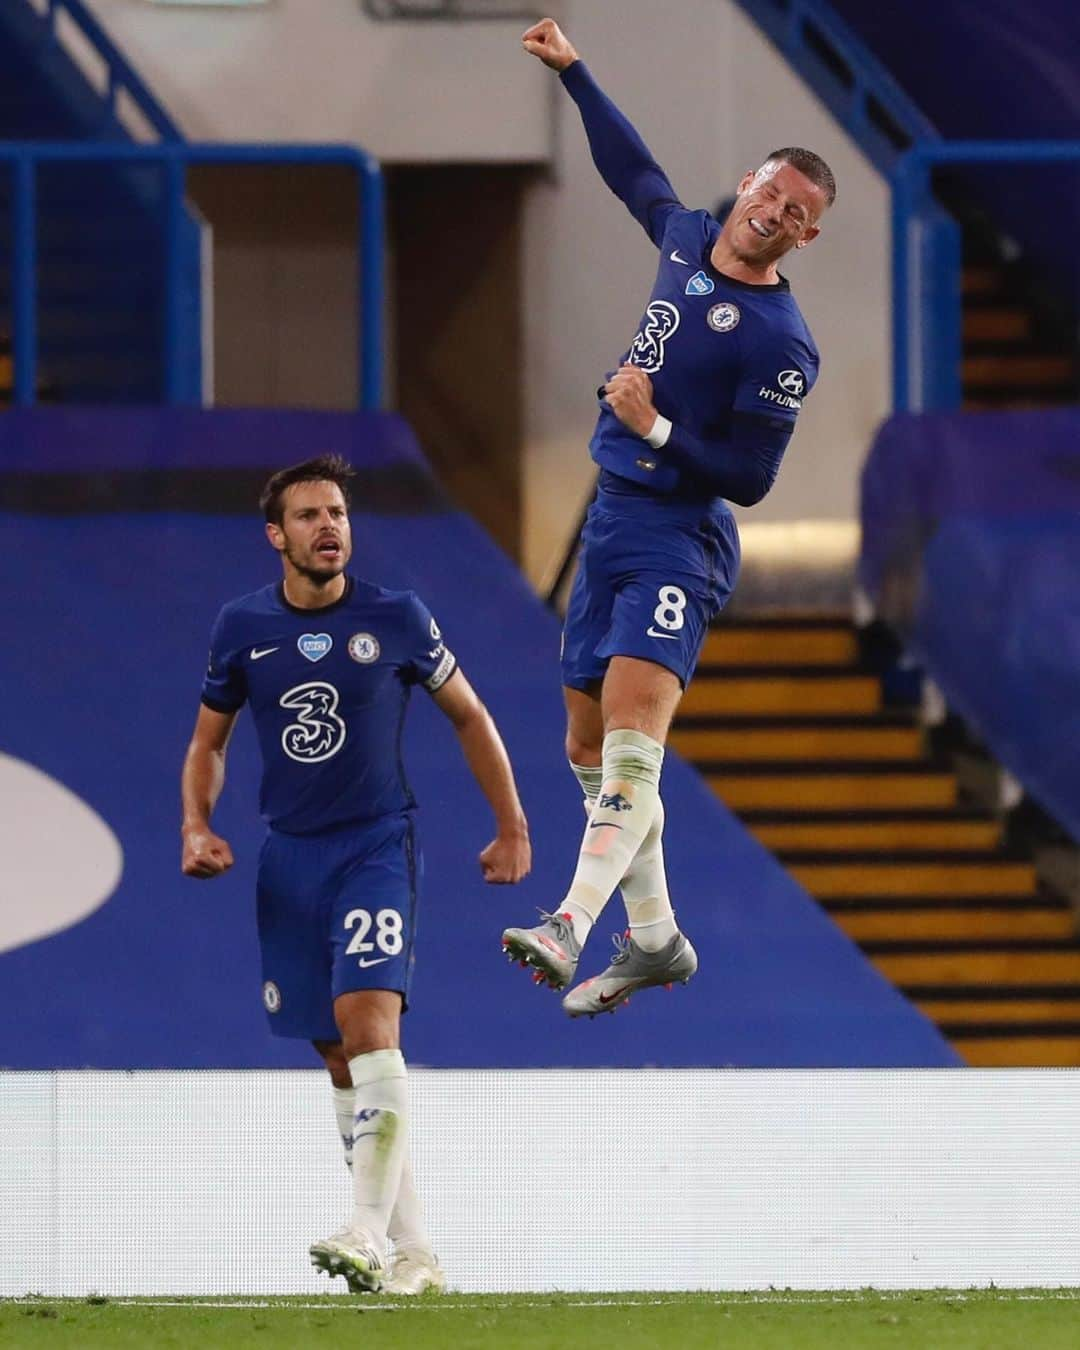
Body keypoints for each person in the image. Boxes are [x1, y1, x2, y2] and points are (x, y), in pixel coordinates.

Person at [502, 19, 835, 1018]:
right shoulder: (690, 234)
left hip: (677, 540)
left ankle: (568, 922)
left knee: (635, 744)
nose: (773, 211)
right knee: (584, 749)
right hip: (611, 523)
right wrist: (574, 74)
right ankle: (653, 938)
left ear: (806, 236)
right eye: (772, 189)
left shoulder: (782, 342)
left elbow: (751, 477)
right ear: (748, 183)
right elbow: (632, 173)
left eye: (797, 211)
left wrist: (653, 429)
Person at [181, 454, 531, 1295]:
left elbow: (471, 716)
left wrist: (511, 825)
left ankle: (367, 1233)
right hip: (287, 857)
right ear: (277, 536)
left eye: (337, 512)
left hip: (375, 845)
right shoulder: (242, 627)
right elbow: (208, 743)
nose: (328, 526)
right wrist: (197, 823)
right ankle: (415, 1254)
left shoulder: (398, 618)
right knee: (339, 1055)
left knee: (370, 1026)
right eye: (308, 516)